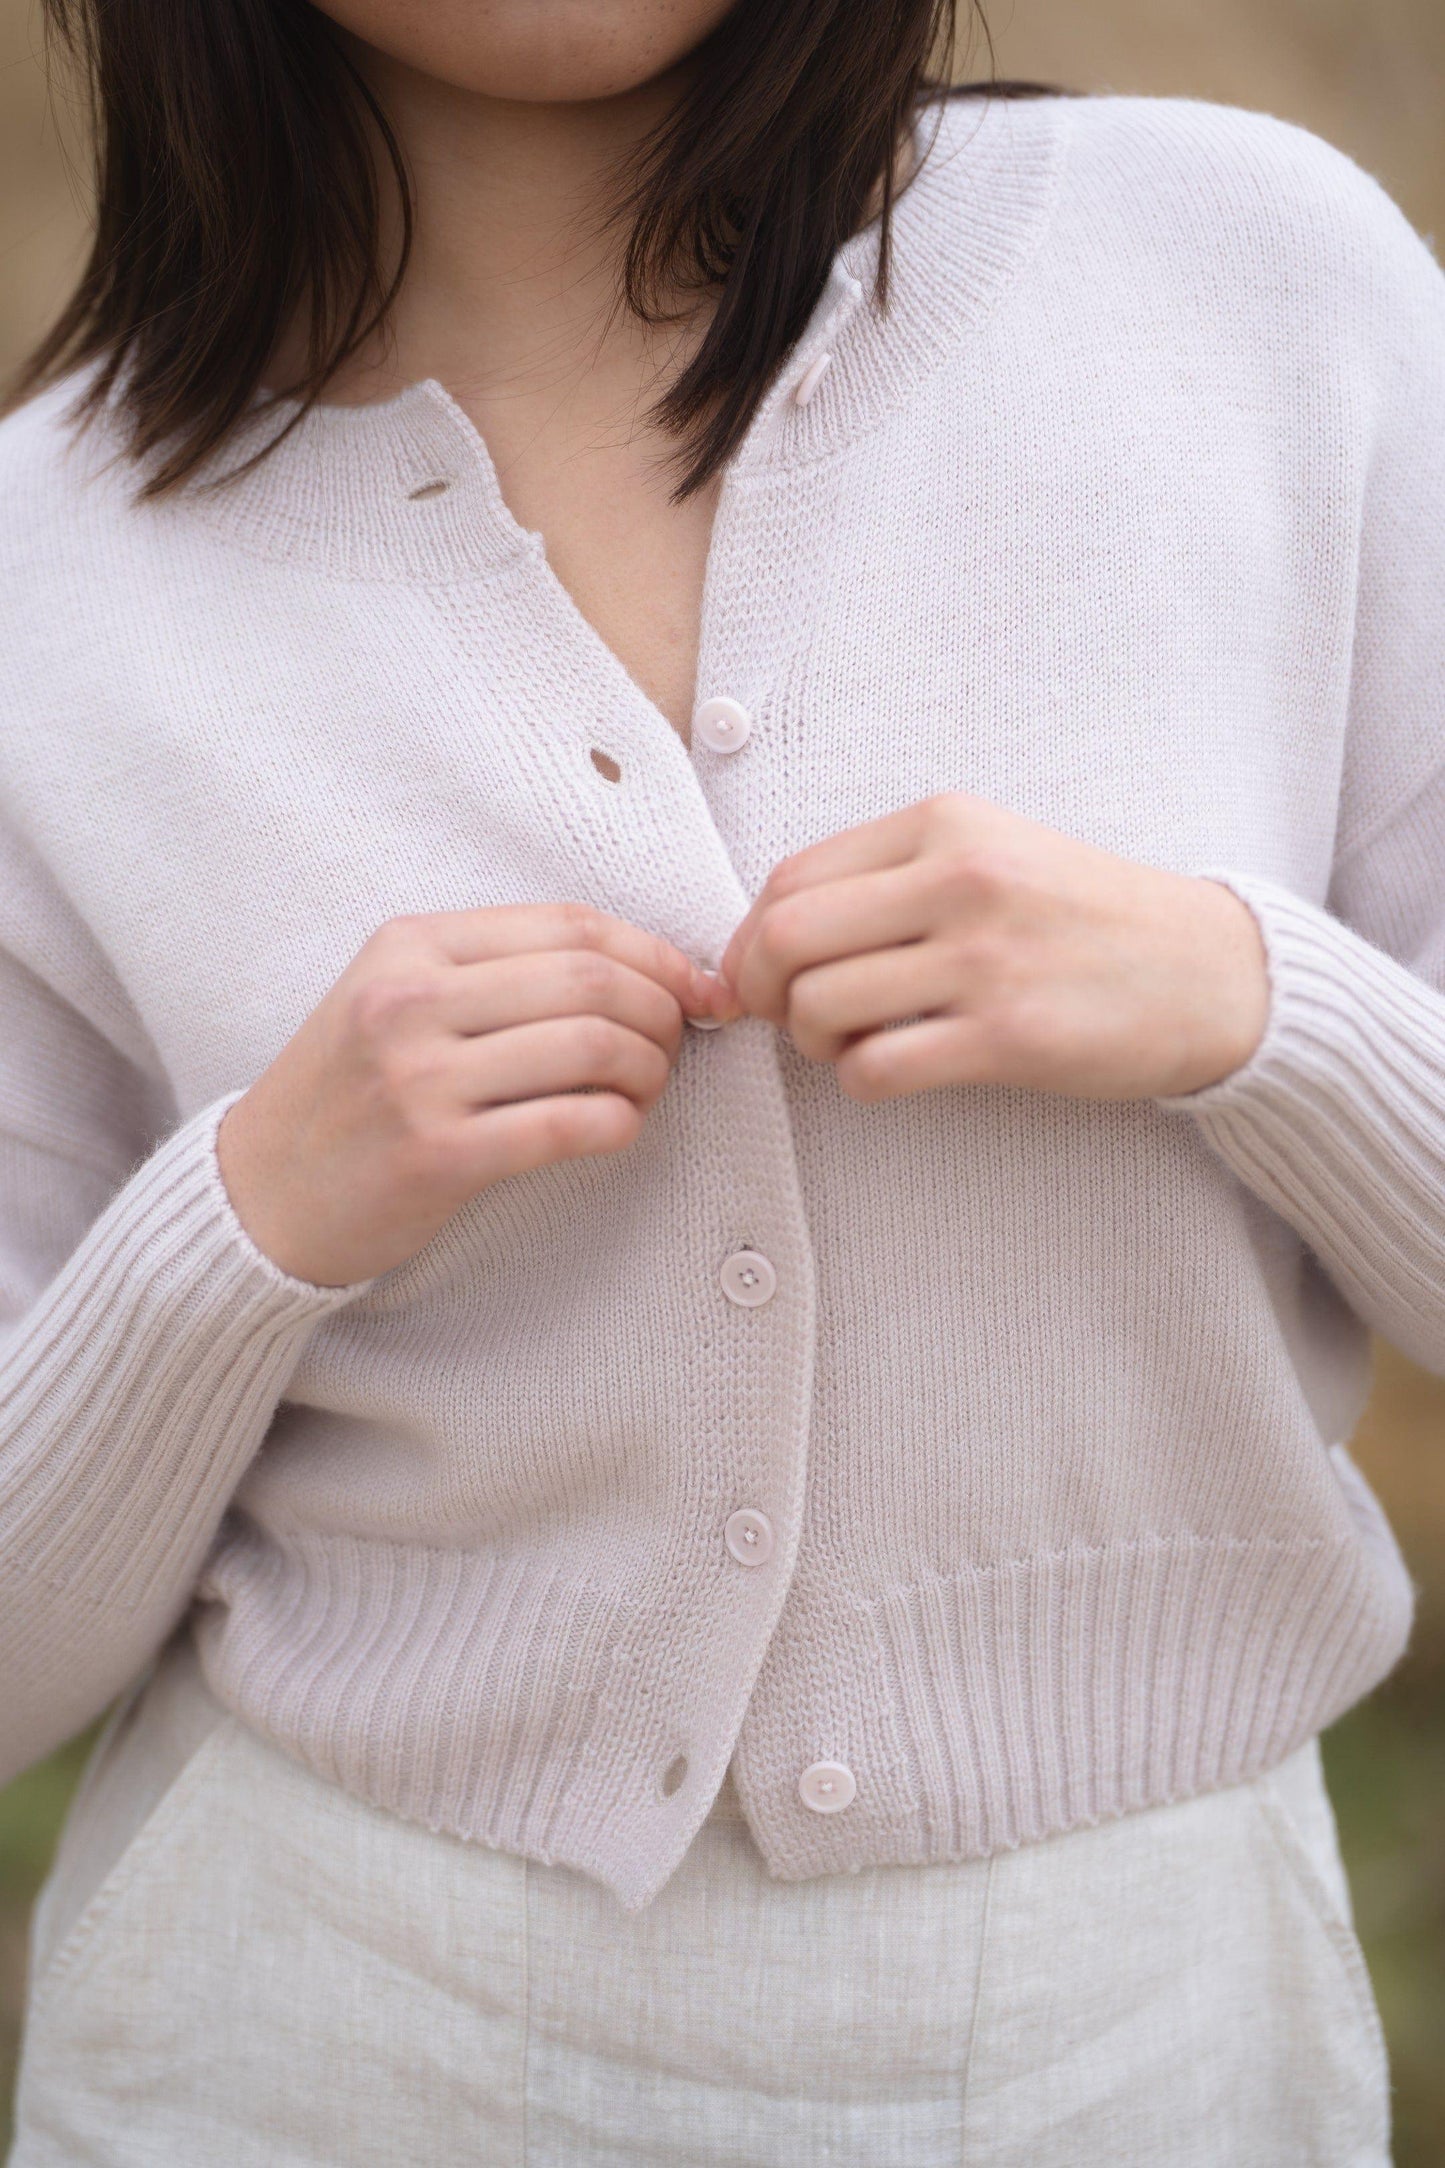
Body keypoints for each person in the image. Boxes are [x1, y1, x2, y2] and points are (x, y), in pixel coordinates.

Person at [1, 0, 1440, 2157]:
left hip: (1152, 2036)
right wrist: (248, 1219)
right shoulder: (57, 566)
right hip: (304, 2033)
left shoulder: (1263, 285)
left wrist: (1261, 1005)